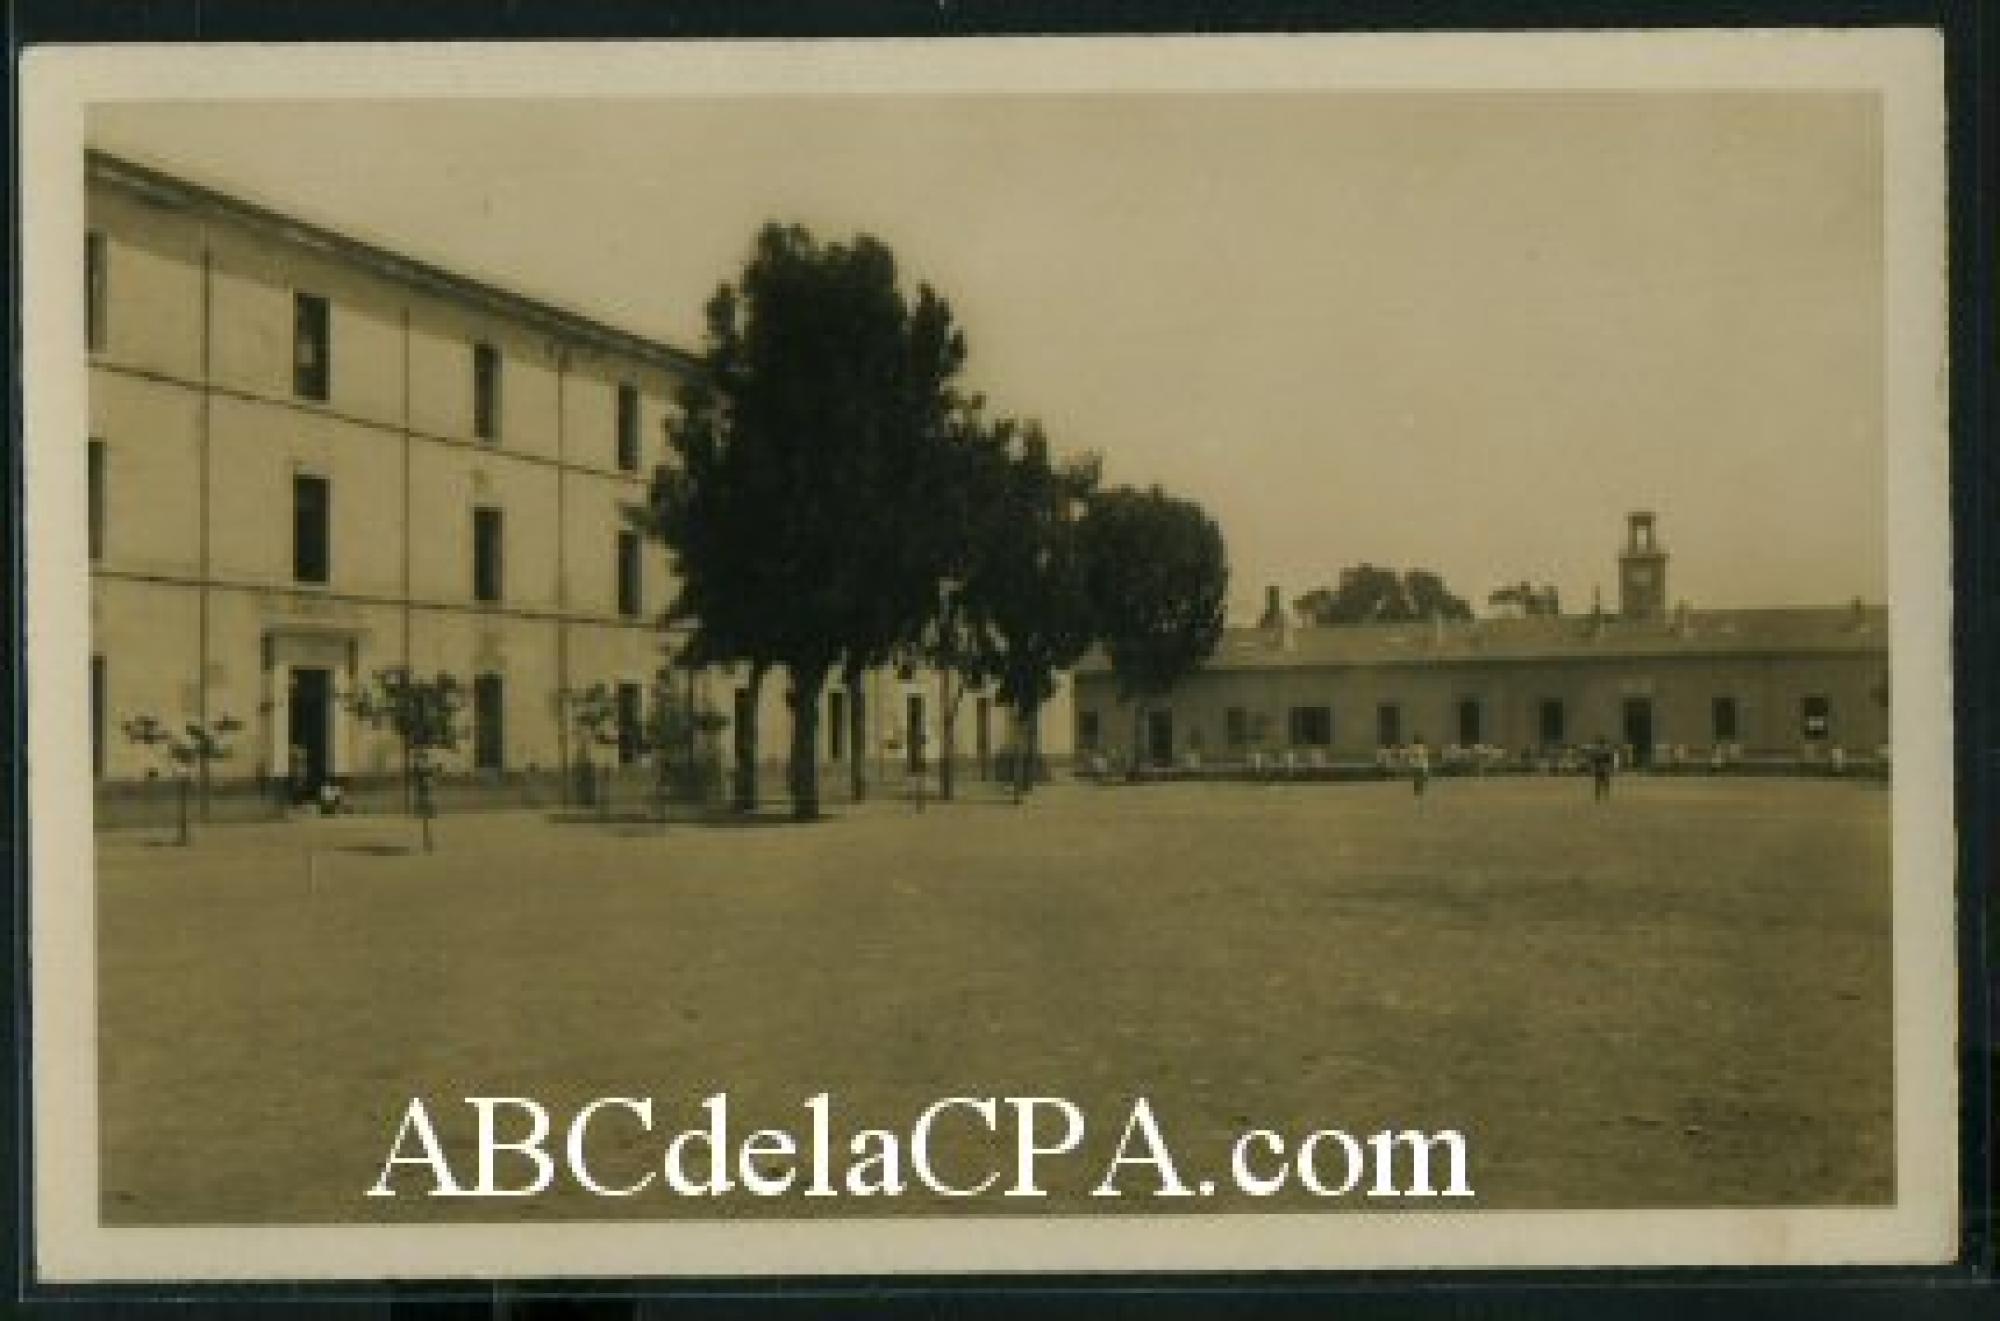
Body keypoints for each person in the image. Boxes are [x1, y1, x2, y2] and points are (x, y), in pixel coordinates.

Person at [1587, 735, 1616, 802]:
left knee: (1602, 783)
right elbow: (1594, 759)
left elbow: (1609, 759)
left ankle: (1601, 796)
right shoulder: (1603, 750)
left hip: (1602, 768)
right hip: (1601, 768)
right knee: (1601, 783)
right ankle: (1601, 796)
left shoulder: (1601, 750)